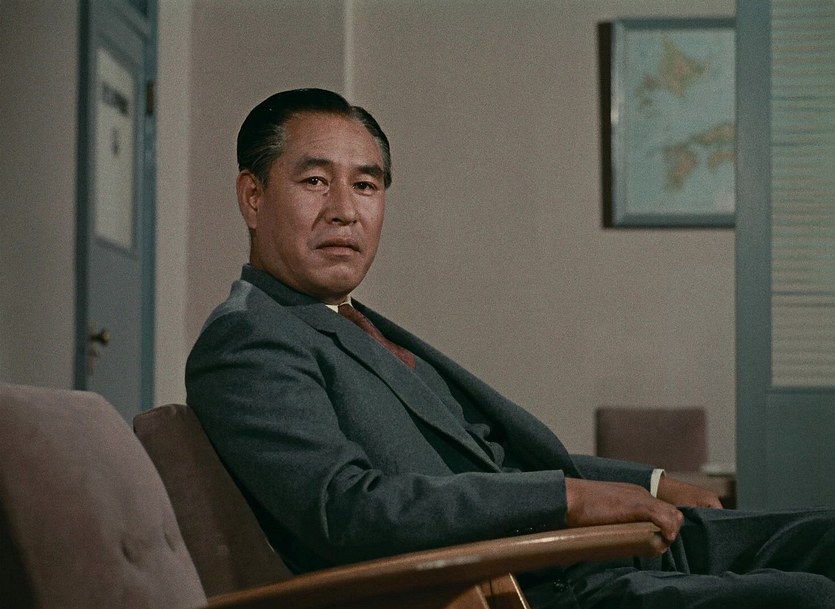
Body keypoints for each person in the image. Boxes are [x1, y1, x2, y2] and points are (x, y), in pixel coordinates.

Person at [186, 88, 835, 608]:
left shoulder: (345, 321)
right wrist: (571, 500)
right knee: (804, 596)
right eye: (314, 181)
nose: (345, 211)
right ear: (252, 196)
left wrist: (650, 481)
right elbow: (349, 511)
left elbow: (490, 458)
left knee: (823, 538)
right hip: (522, 586)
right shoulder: (249, 340)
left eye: (366, 185)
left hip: (575, 551)